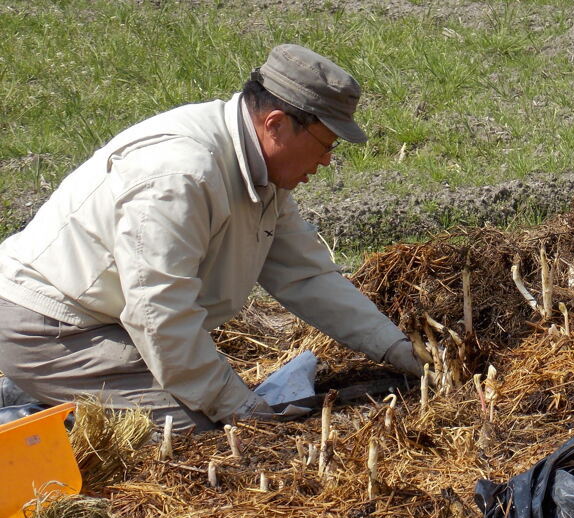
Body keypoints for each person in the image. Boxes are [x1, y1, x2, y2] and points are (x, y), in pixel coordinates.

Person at [0, 44, 421, 431]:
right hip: (53, 327)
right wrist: (238, 409)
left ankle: (50, 390)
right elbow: (159, 313)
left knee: (209, 404)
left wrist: (399, 350)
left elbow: (307, 277)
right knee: (203, 432)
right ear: (276, 125)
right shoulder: (181, 176)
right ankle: (28, 401)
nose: (327, 160)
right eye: (325, 144)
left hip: (111, 323)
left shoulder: (261, 171)